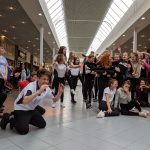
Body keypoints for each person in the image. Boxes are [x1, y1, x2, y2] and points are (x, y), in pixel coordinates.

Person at [0, 69, 64, 135]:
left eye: (47, 79)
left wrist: (60, 93)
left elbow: (54, 99)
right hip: (21, 108)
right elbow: (25, 101)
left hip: (31, 108)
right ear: (38, 78)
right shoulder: (31, 86)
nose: (46, 81)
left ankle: (24, 119)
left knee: (42, 124)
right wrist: (39, 91)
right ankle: (10, 117)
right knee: (23, 130)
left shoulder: (47, 89)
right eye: (44, 79)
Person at [0, 46, 8, 115]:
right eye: (2, 48)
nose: (3, 49)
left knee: (3, 92)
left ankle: (0, 105)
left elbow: (6, 67)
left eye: (3, 48)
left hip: (3, 78)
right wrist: (2, 75)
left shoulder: (4, 58)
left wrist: (5, 75)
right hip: (0, 77)